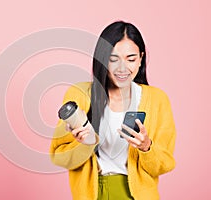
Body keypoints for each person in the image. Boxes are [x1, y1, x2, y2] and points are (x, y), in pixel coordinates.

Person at [50, 21, 176, 200]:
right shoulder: (80, 94)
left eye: (131, 59)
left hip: (137, 195)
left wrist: (146, 147)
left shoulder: (157, 99)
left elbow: (164, 165)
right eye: (113, 59)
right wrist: (83, 144)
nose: (122, 68)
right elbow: (59, 157)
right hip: (91, 194)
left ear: (141, 58)